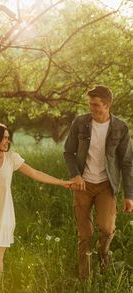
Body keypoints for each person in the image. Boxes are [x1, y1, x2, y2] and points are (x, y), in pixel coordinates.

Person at [0, 123, 72, 293]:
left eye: (8, 138)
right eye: (5, 137)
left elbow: (36, 173)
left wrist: (61, 182)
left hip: (3, 213)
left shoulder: (11, 158)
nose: (8, 141)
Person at [64, 85, 133, 280]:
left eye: (96, 105)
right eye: (90, 105)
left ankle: (103, 260)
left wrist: (129, 195)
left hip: (106, 185)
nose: (92, 109)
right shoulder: (80, 123)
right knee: (84, 235)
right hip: (82, 184)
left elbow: (127, 163)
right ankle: (85, 278)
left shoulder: (120, 127)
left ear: (108, 104)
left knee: (107, 228)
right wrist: (75, 174)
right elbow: (68, 152)